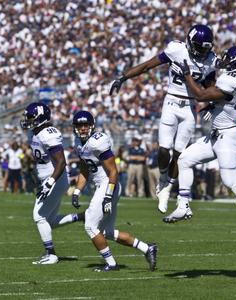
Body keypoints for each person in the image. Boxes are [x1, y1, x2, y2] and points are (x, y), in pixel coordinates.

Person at [163, 46, 236, 249]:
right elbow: (222, 98)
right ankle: (183, 205)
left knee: (231, 182)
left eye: (229, 58)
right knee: (184, 159)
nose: (225, 59)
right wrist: (215, 106)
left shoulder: (232, 79)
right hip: (217, 134)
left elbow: (201, 95)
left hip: (228, 136)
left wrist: (187, 75)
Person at [110, 24, 217, 214]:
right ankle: (162, 178)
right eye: (199, 47)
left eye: (205, 48)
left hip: (190, 107)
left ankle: (168, 187)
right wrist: (123, 77)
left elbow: (210, 86)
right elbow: (147, 65)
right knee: (163, 149)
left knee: (179, 154)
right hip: (171, 102)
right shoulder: (176, 49)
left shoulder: (210, 60)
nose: (202, 51)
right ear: (190, 42)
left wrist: (212, 102)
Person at [71, 110, 157, 272]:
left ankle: (111, 264)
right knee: (106, 232)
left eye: (86, 125)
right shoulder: (78, 142)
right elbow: (84, 168)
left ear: (92, 125)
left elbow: (113, 171)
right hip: (103, 186)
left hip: (108, 184)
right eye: (79, 125)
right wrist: (77, 191)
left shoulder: (98, 141)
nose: (82, 128)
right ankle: (147, 248)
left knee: (90, 227)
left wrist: (108, 196)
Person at [20, 102, 84, 265]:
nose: (27, 120)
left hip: (55, 179)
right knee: (49, 220)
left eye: (30, 117)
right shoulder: (35, 133)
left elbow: (61, 162)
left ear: (40, 117)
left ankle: (51, 254)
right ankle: (81, 216)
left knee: (39, 216)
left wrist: (49, 182)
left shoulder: (48, 133)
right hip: (49, 179)